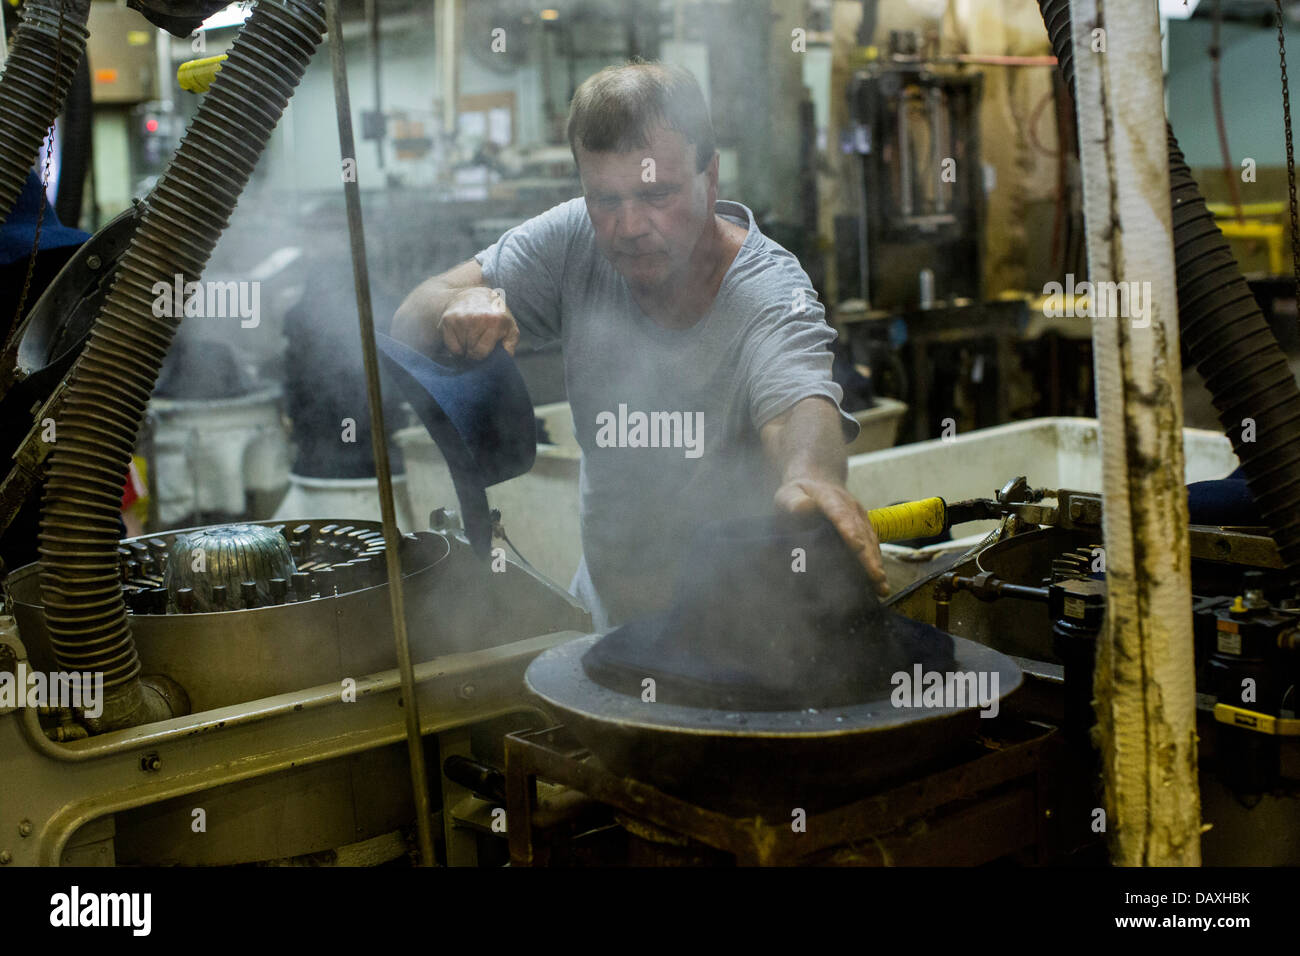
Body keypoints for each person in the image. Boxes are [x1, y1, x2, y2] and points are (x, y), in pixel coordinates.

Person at [393, 62, 886, 629]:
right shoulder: (573, 236)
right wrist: (456, 306)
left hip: (745, 630)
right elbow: (410, 319)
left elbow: (799, 402)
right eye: (605, 198)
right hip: (607, 619)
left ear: (711, 176)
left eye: (657, 193)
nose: (629, 226)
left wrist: (812, 477)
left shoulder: (768, 290)